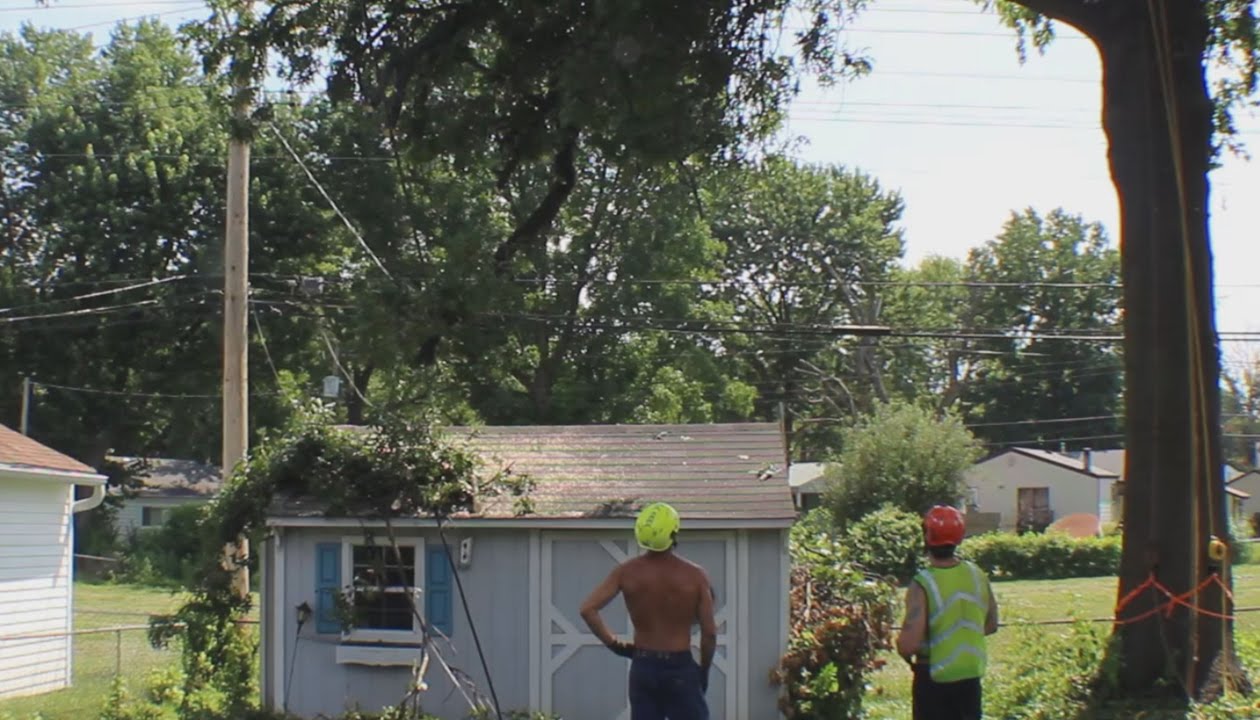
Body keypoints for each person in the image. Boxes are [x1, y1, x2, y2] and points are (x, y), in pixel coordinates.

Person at [579, 502, 717, 720]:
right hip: (679, 667)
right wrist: (704, 670)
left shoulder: (626, 572)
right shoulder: (695, 576)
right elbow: (709, 633)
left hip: (644, 665)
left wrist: (614, 644)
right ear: (673, 532)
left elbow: (588, 609)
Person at [896, 505, 1000, 720]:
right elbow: (991, 625)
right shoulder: (977, 575)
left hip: (933, 678)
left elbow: (909, 644)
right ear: (959, 538)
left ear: (926, 538)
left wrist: (903, 652)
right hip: (970, 675)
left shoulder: (923, 583)